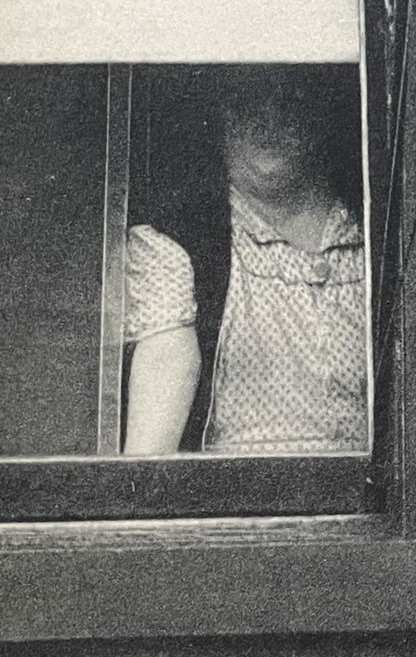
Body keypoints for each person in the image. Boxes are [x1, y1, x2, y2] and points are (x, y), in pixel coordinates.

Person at [121, 68, 369, 455]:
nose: (267, 121)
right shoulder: (182, 243)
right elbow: (160, 393)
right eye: (246, 102)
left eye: (289, 102)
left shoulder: (370, 238)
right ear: (220, 118)